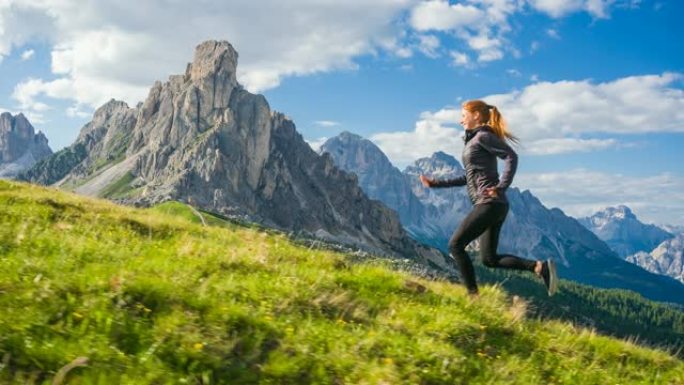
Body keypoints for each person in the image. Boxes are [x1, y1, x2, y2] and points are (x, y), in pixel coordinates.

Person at [420, 100, 558, 297]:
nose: (460, 121)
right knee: (489, 259)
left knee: (455, 245)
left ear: (476, 115)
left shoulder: (483, 137)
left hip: (490, 203)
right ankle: (539, 268)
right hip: (495, 206)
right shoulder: (474, 140)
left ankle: (473, 296)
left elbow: (511, 156)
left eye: (463, 115)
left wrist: (501, 187)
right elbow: (468, 177)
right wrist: (435, 184)